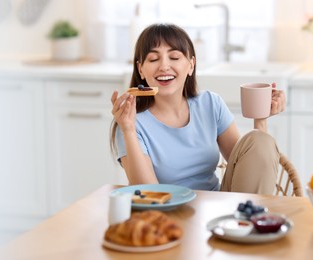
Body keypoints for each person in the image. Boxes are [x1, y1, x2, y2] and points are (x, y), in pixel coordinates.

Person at [110, 23, 285, 194]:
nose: (164, 66)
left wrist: (261, 117)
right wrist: (128, 129)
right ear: (140, 69)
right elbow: (148, 194)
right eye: (154, 59)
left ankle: (249, 219)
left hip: (219, 210)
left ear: (191, 65)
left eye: (175, 57)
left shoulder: (210, 104)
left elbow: (247, 165)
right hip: (168, 214)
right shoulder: (130, 122)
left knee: (259, 139)